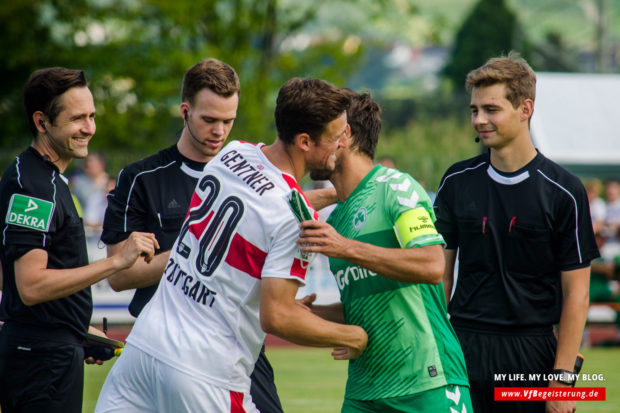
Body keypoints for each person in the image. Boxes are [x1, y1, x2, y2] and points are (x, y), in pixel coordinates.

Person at [95, 78, 368, 412]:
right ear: (306, 142)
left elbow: (260, 209)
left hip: (142, 350)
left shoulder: (234, 154)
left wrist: (328, 195)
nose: (342, 144)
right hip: (204, 372)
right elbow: (278, 317)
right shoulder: (296, 216)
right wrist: (353, 337)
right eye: (336, 136)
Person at [100, 57, 284, 412]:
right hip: (163, 347)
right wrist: (197, 246)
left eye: (228, 121)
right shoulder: (142, 178)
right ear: (185, 111)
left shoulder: (251, 174)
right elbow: (120, 276)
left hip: (238, 346)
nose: (219, 131)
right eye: (209, 120)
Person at [433, 52, 599, 413]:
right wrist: (433, 346)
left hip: (530, 355)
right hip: (460, 348)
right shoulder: (456, 181)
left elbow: (577, 294)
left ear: (525, 109)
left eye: (491, 109)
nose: (479, 119)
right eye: (474, 110)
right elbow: (437, 275)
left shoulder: (565, 191)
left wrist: (563, 379)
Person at [297, 90, 472, 412]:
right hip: (364, 389)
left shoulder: (397, 188)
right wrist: (312, 314)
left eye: (320, 132)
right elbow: (364, 299)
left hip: (427, 380)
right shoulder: (337, 218)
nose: (307, 146)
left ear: (343, 135)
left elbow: (432, 265)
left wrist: (345, 247)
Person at [0, 67, 158, 412]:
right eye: (76, 119)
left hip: (47, 351)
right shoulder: (34, 187)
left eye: (91, 116)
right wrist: (116, 261)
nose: (89, 128)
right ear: (42, 122)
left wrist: (76, 330)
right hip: (40, 361)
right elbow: (30, 285)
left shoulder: (42, 178)